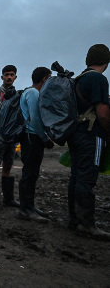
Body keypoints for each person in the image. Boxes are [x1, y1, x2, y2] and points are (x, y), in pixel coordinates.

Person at [67, 44, 110, 240]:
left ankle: (74, 219)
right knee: (87, 178)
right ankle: (87, 225)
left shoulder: (79, 79)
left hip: (75, 133)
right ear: (106, 62)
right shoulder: (98, 79)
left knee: (76, 176)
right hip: (92, 134)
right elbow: (102, 113)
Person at [18, 67, 53, 223]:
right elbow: (35, 118)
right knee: (29, 173)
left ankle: (29, 206)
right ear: (44, 79)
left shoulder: (30, 91)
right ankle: (26, 209)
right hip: (31, 136)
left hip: (30, 136)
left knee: (32, 173)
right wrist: (45, 137)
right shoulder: (33, 93)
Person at [0, 65, 20, 209]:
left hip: (11, 138)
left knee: (8, 166)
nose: (9, 77)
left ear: (15, 77)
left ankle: (8, 199)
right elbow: (1, 116)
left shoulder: (16, 94)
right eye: (6, 74)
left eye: (11, 75)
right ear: (2, 77)